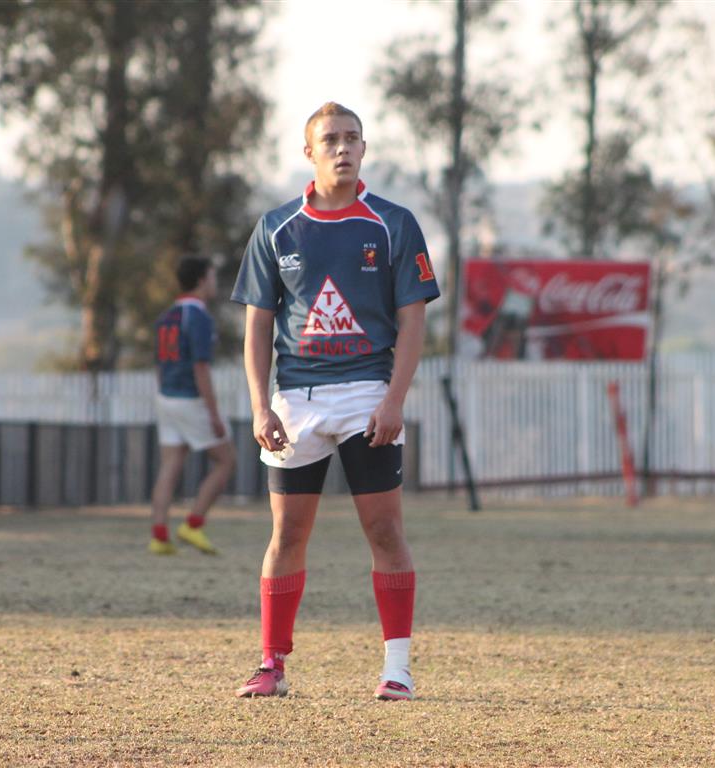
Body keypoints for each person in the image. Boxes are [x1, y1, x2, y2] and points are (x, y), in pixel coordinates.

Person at [229, 102, 440, 700]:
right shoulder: (277, 228)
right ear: (310, 152)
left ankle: (397, 668)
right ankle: (271, 665)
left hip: (368, 394)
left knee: (384, 529)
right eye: (330, 140)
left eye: (352, 138)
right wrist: (261, 406)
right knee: (287, 534)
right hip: (296, 400)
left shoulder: (392, 223)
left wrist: (394, 399)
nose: (343, 148)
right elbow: (257, 325)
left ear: (364, 148)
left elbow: (413, 319)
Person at [148, 256, 235, 555]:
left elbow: (159, 364)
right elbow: (200, 368)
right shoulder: (198, 317)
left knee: (170, 464)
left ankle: (159, 535)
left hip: (166, 397)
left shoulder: (166, 316)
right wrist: (213, 413)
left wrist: (164, 395)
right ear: (201, 280)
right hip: (190, 399)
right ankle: (194, 524)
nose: (214, 283)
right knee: (226, 461)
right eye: (212, 277)